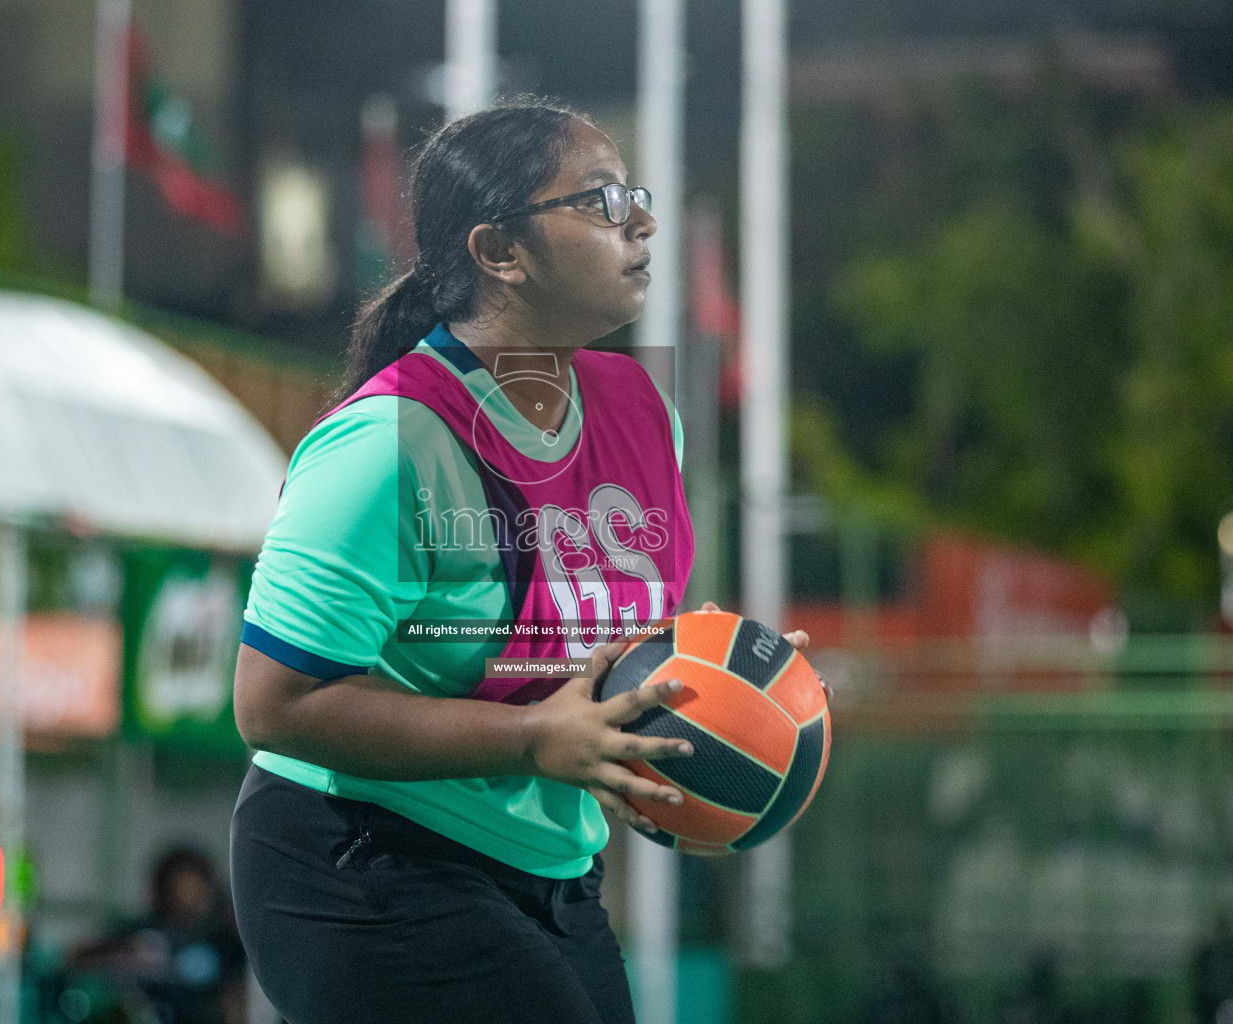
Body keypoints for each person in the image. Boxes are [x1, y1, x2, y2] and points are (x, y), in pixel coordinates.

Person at [229, 99, 822, 1024]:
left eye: (634, 193)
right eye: (599, 201)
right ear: (499, 253)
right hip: (359, 855)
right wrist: (532, 739)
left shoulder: (639, 409)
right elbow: (272, 704)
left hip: (547, 862)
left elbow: (608, 642)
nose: (643, 221)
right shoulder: (389, 444)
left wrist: (721, 668)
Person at [68, 847, 247, 1024]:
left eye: (195, 890)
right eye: (180, 888)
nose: (188, 897)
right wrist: (126, 954)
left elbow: (237, 1001)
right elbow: (78, 956)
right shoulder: (140, 932)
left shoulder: (225, 944)